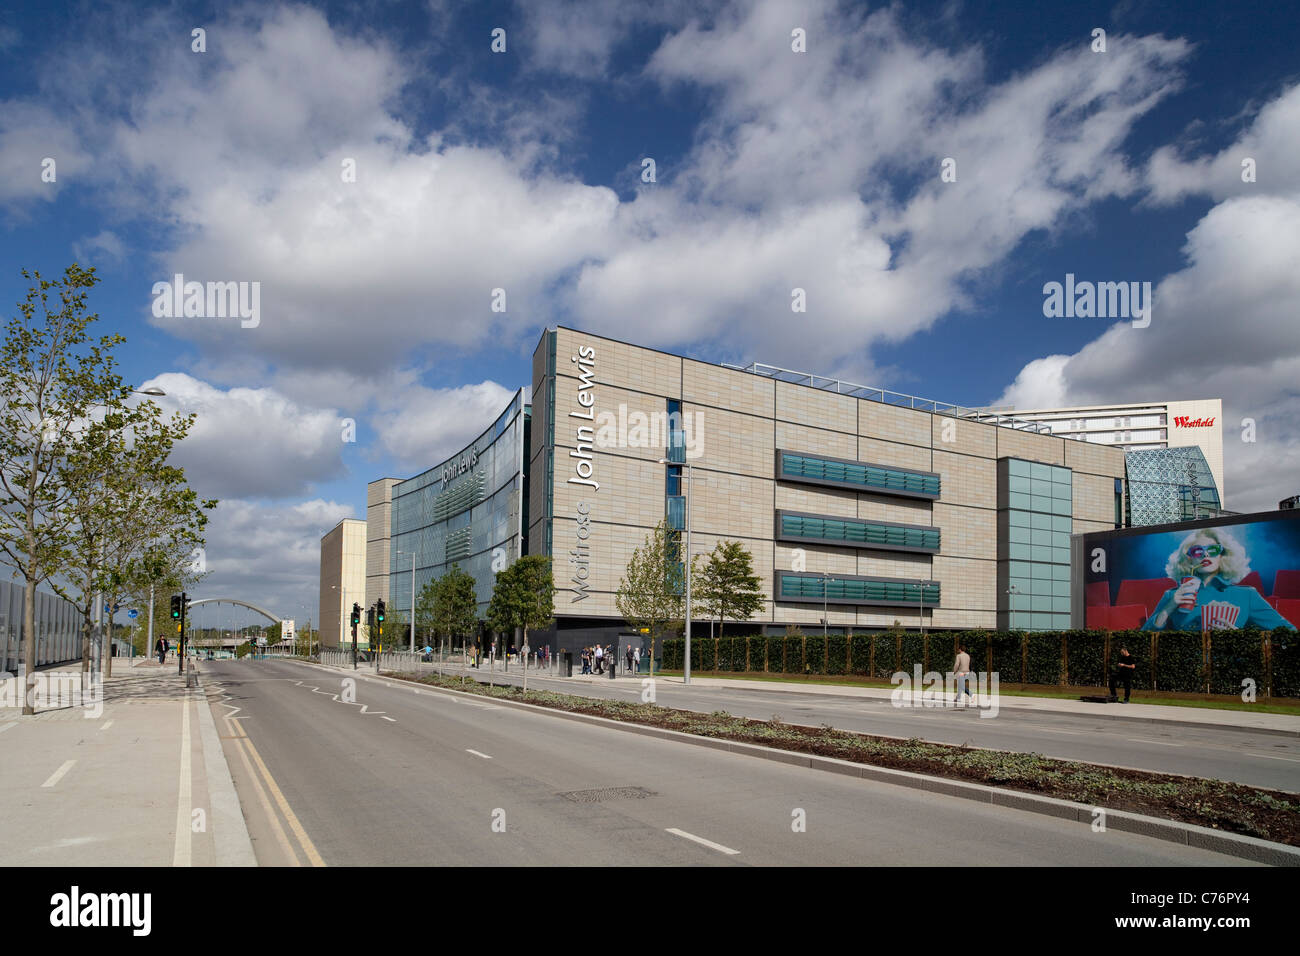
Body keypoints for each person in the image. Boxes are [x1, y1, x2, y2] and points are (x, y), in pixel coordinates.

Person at [1143, 527, 1296, 631]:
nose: (1205, 555)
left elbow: (1289, 633)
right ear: (1188, 559)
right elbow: (1141, 643)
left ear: (1223, 555)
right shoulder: (1172, 596)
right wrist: (1169, 608)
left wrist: (1239, 638)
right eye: (1197, 551)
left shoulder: (1247, 595)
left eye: (1213, 549)